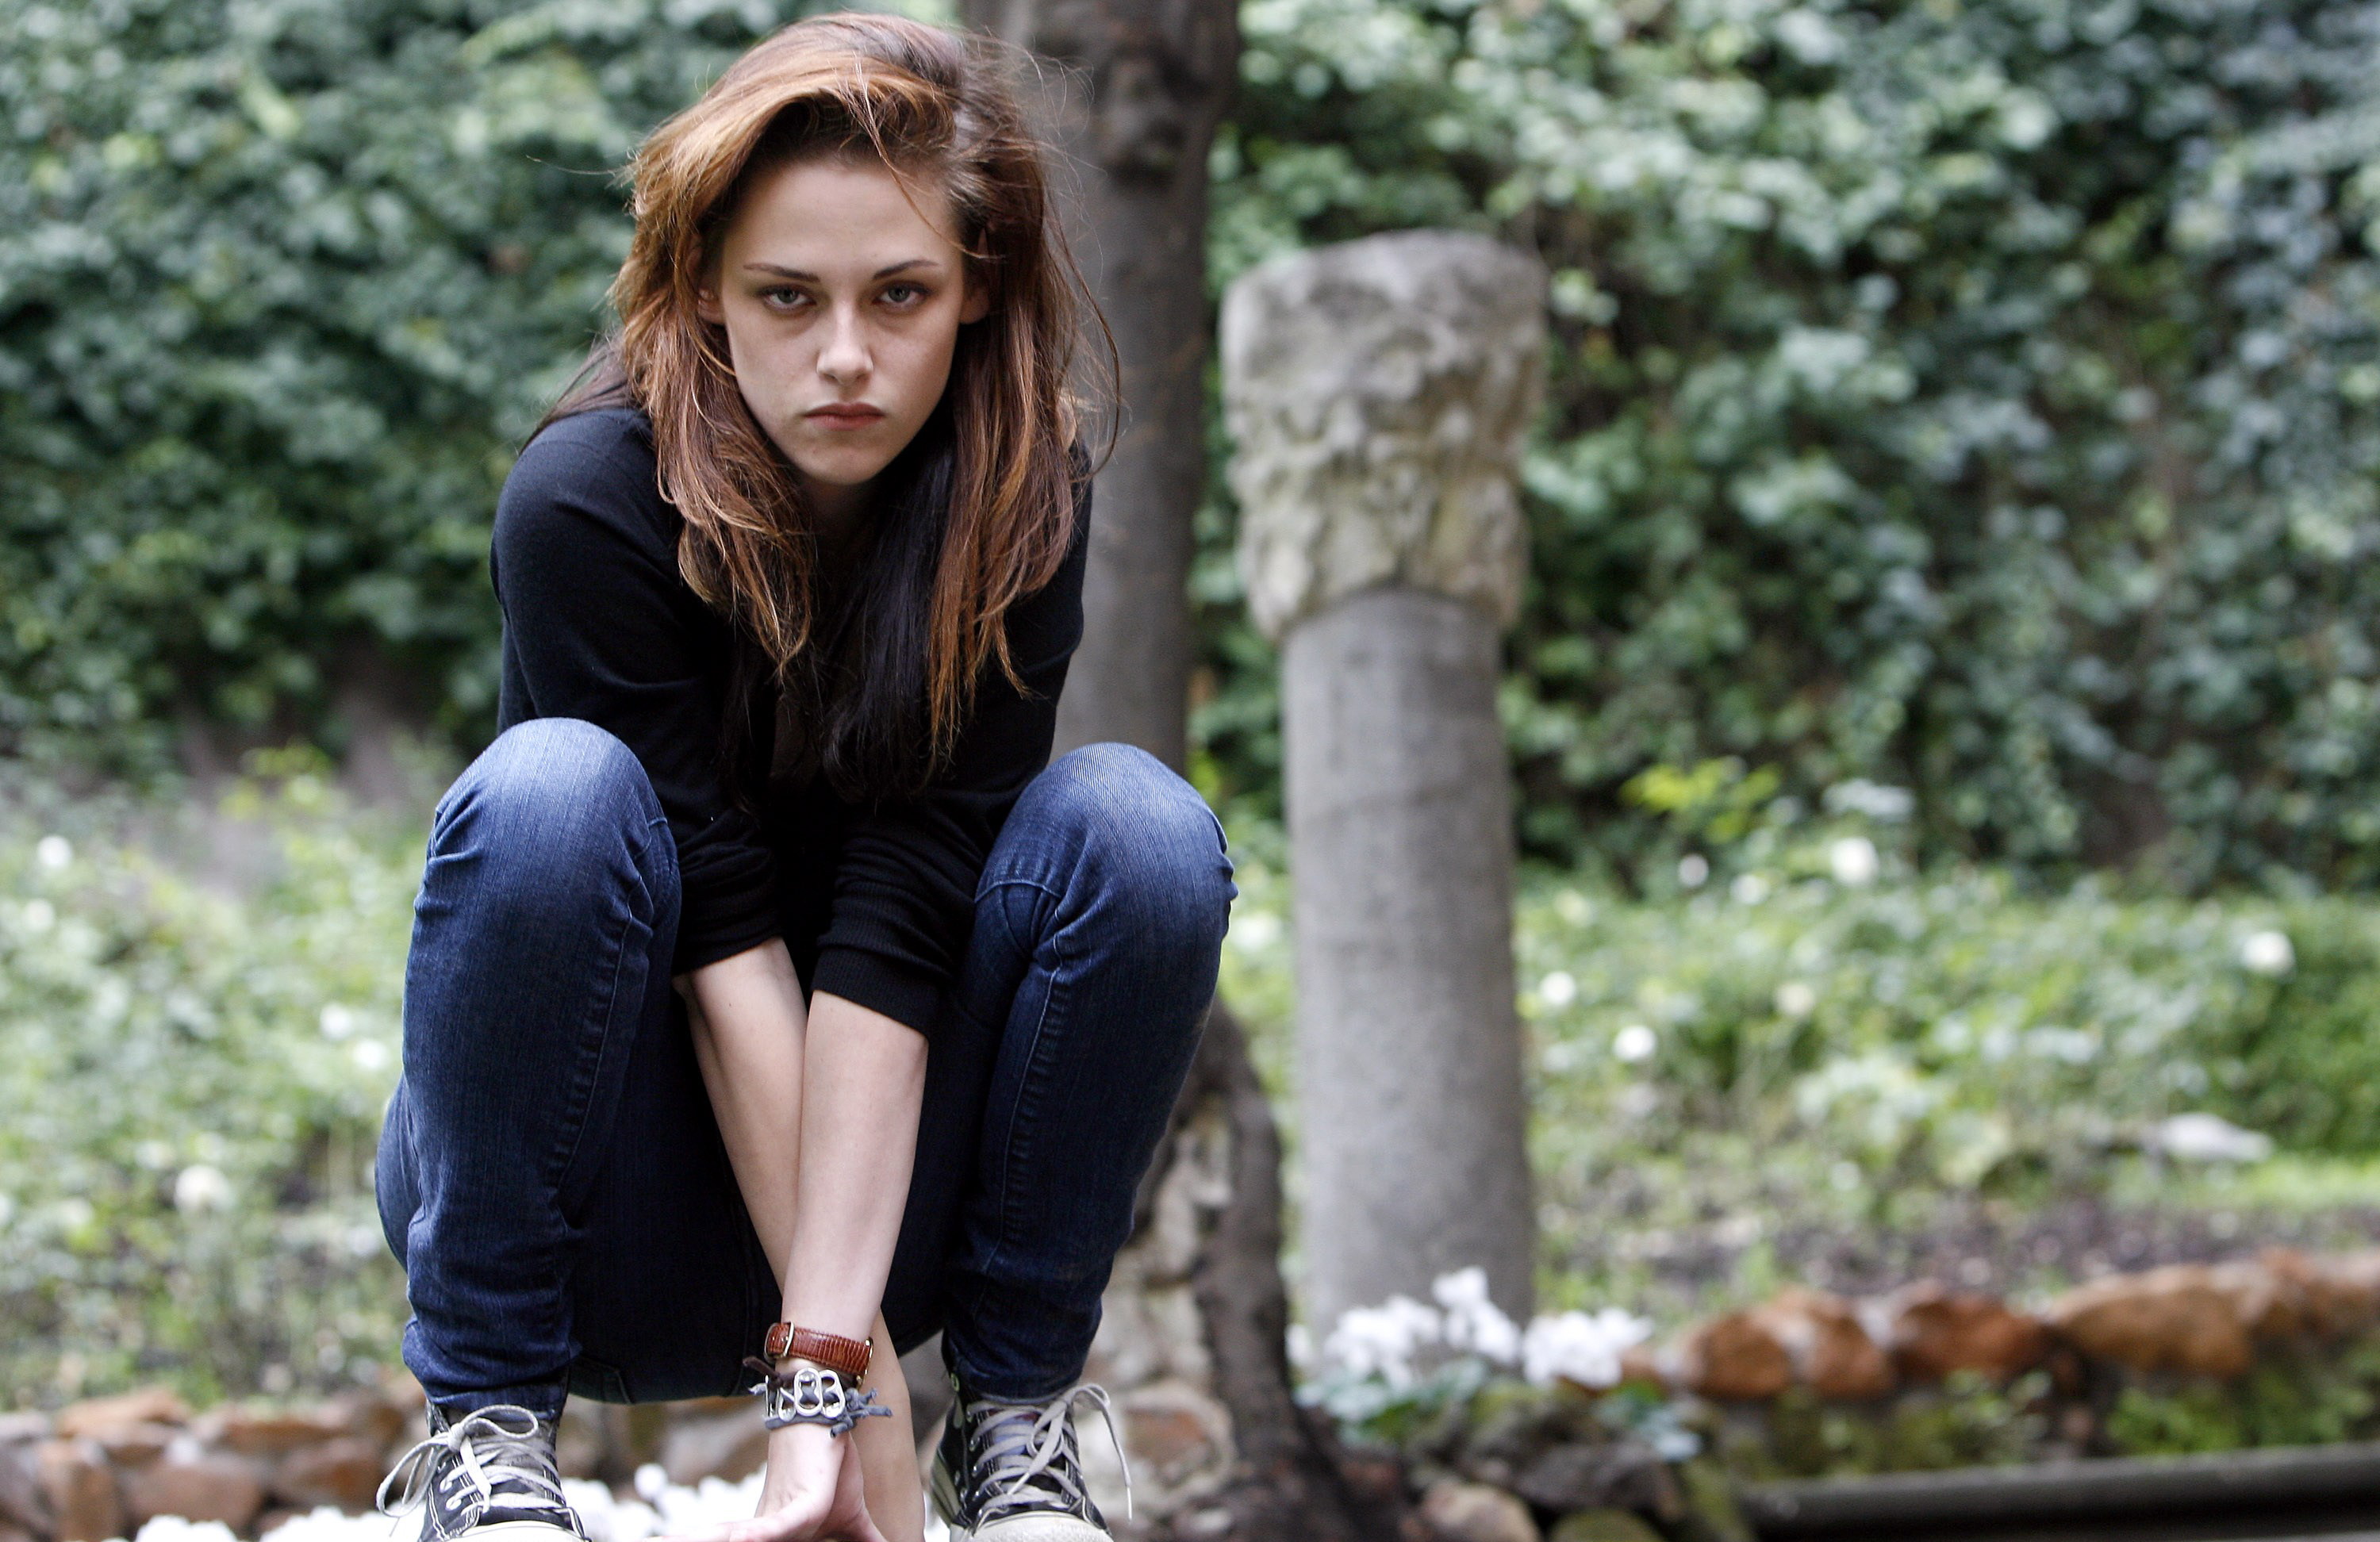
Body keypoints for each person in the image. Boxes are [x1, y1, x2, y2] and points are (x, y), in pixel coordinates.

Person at [368, 16, 1234, 1542]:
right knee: (550, 794)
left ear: (976, 289)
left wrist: (846, 1357)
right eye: (789, 298)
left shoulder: (1022, 498)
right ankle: (486, 1436)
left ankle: (1021, 1438)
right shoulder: (586, 501)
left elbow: (903, 936)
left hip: (877, 1211)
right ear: (703, 287)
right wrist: (844, 1414)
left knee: (1137, 831)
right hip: (606, 1226)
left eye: (899, 294)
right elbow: (718, 943)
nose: (846, 355)